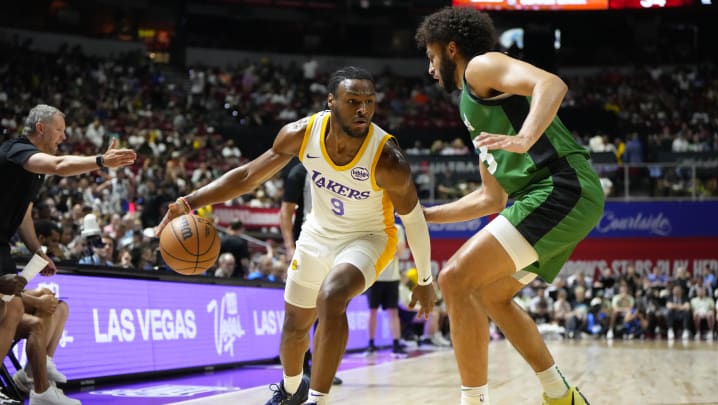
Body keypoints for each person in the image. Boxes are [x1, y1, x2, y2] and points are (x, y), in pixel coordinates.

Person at [157, 66, 436, 405]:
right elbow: (247, 176)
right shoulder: (301, 133)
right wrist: (189, 201)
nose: (363, 110)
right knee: (294, 328)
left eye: (369, 102)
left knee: (333, 297)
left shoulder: (388, 159)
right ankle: (291, 390)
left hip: (368, 238)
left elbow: (414, 219)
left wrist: (424, 278)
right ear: (331, 101)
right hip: (316, 235)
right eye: (353, 101)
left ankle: (318, 399)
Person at [415, 8, 604, 405]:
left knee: (454, 279)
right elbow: (491, 198)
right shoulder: (473, 107)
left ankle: (473, 401)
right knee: (490, 295)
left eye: (432, 57)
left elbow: (550, 84)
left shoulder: (481, 67)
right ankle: (560, 394)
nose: (431, 69)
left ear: (452, 49)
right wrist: (422, 215)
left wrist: (526, 136)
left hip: (561, 186)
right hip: (556, 195)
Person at [0, 104, 136, 405]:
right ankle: (37, 384)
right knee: (16, 307)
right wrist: (101, 160)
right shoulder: (16, 151)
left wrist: (38, 252)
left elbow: (24, 213)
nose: (63, 136)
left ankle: (35, 378)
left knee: (57, 306)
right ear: (41, 129)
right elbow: (60, 165)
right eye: (59, 130)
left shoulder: (32, 173)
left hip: (4, 249)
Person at [279, 162, 343, 385]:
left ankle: (322, 368)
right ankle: (302, 369)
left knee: (328, 308)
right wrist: (289, 248)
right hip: (305, 246)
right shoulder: (299, 172)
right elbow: (286, 212)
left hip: (335, 246)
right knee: (303, 312)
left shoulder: (339, 168)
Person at [365, 223, 408, 357]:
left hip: (392, 277)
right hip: (375, 277)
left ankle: (396, 343)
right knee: (372, 312)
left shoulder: (398, 228)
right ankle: (371, 344)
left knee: (393, 312)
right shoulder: (372, 225)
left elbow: (401, 252)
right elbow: (369, 251)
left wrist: (382, 248)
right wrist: (390, 248)